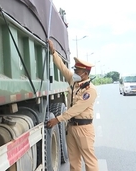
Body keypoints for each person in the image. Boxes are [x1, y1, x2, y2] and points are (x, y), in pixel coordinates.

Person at [47, 40, 99, 171]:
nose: (75, 72)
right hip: (71, 127)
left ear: (85, 74)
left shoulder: (90, 90)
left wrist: (57, 119)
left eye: (78, 70)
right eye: (75, 69)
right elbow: (62, 68)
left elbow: (76, 109)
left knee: (90, 161)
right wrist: (53, 52)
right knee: (74, 161)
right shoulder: (74, 81)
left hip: (84, 129)